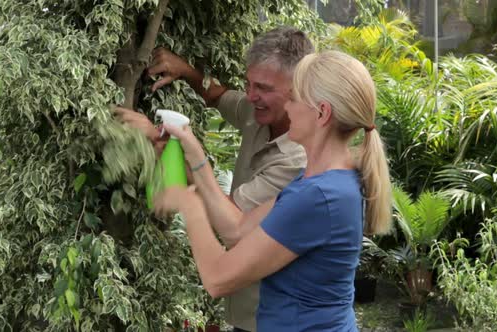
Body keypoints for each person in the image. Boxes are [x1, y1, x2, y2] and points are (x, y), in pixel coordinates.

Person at [153, 50, 393, 331]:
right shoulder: (326, 181)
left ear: (322, 113)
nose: (287, 108)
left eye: (293, 98)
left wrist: (188, 202)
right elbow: (238, 229)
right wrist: (194, 154)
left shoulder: (318, 197)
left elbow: (218, 279)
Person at [115, 27, 314, 332]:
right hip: (249, 310)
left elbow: (231, 225)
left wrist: (170, 151)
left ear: (300, 88)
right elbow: (219, 96)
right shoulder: (261, 112)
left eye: (262, 87)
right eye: (249, 84)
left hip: (272, 318)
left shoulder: (297, 162)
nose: (251, 96)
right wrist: (186, 71)